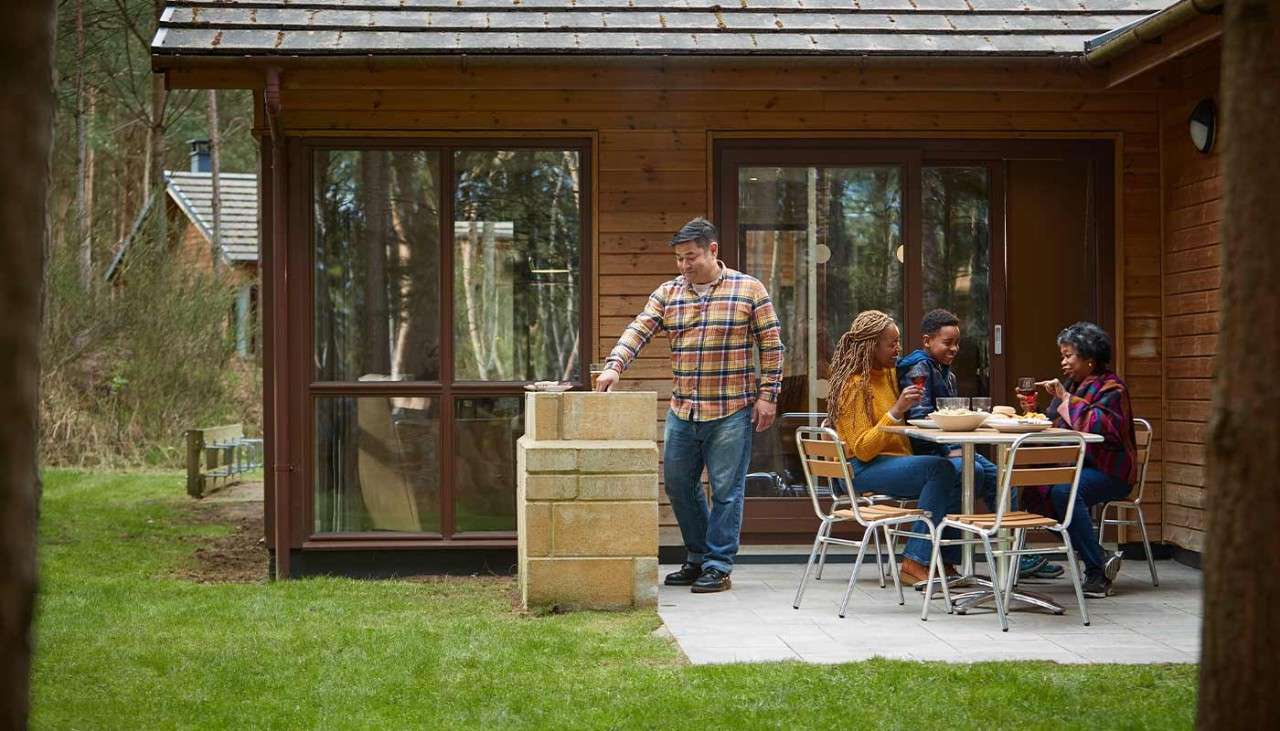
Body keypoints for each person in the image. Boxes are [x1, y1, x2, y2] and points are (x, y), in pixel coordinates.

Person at [595, 217, 784, 593]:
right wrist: (614, 366)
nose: (684, 265)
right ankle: (698, 557)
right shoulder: (668, 293)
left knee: (727, 491)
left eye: (691, 257)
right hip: (684, 410)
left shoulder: (749, 290)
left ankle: (718, 563)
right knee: (679, 486)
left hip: (731, 410)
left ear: (712, 250)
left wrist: (768, 396)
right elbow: (639, 329)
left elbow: (773, 346)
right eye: (679, 259)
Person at [895, 309, 1061, 580]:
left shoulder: (946, 373)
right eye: (947, 343)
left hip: (951, 446)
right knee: (972, 473)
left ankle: (1015, 552)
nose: (954, 349)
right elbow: (919, 417)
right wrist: (951, 446)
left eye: (956, 343)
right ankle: (951, 557)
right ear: (927, 341)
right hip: (930, 451)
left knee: (1000, 478)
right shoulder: (920, 368)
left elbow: (950, 413)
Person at [828, 310, 961, 586]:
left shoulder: (889, 374)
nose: (897, 349)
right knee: (941, 470)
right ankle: (914, 561)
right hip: (860, 470)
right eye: (891, 344)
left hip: (888, 464)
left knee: (963, 471)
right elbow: (863, 448)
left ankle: (944, 561)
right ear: (871, 345)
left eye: (897, 342)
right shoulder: (854, 385)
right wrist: (897, 410)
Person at [1034, 321, 1136, 597]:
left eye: (1069, 355)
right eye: (1062, 355)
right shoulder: (1073, 385)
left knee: (1063, 492)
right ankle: (1100, 555)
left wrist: (1065, 398)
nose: (1063, 362)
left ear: (1090, 359)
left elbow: (1101, 428)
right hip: (1075, 465)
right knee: (1033, 491)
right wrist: (1033, 410)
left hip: (1110, 470)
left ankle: (1096, 571)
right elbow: (1056, 423)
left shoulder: (1112, 388)